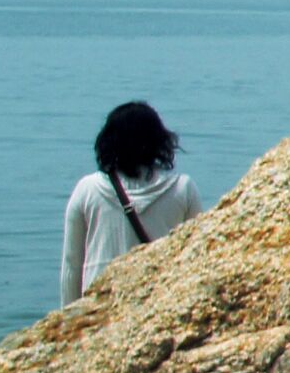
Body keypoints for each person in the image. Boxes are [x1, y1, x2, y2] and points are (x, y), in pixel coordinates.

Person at [60, 101, 203, 305]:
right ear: (160, 141)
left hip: (97, 307)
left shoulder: (87, 189)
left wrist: (66, 321)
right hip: (157, 303)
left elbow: (71, 264)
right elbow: (197, 257)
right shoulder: (183, 188)